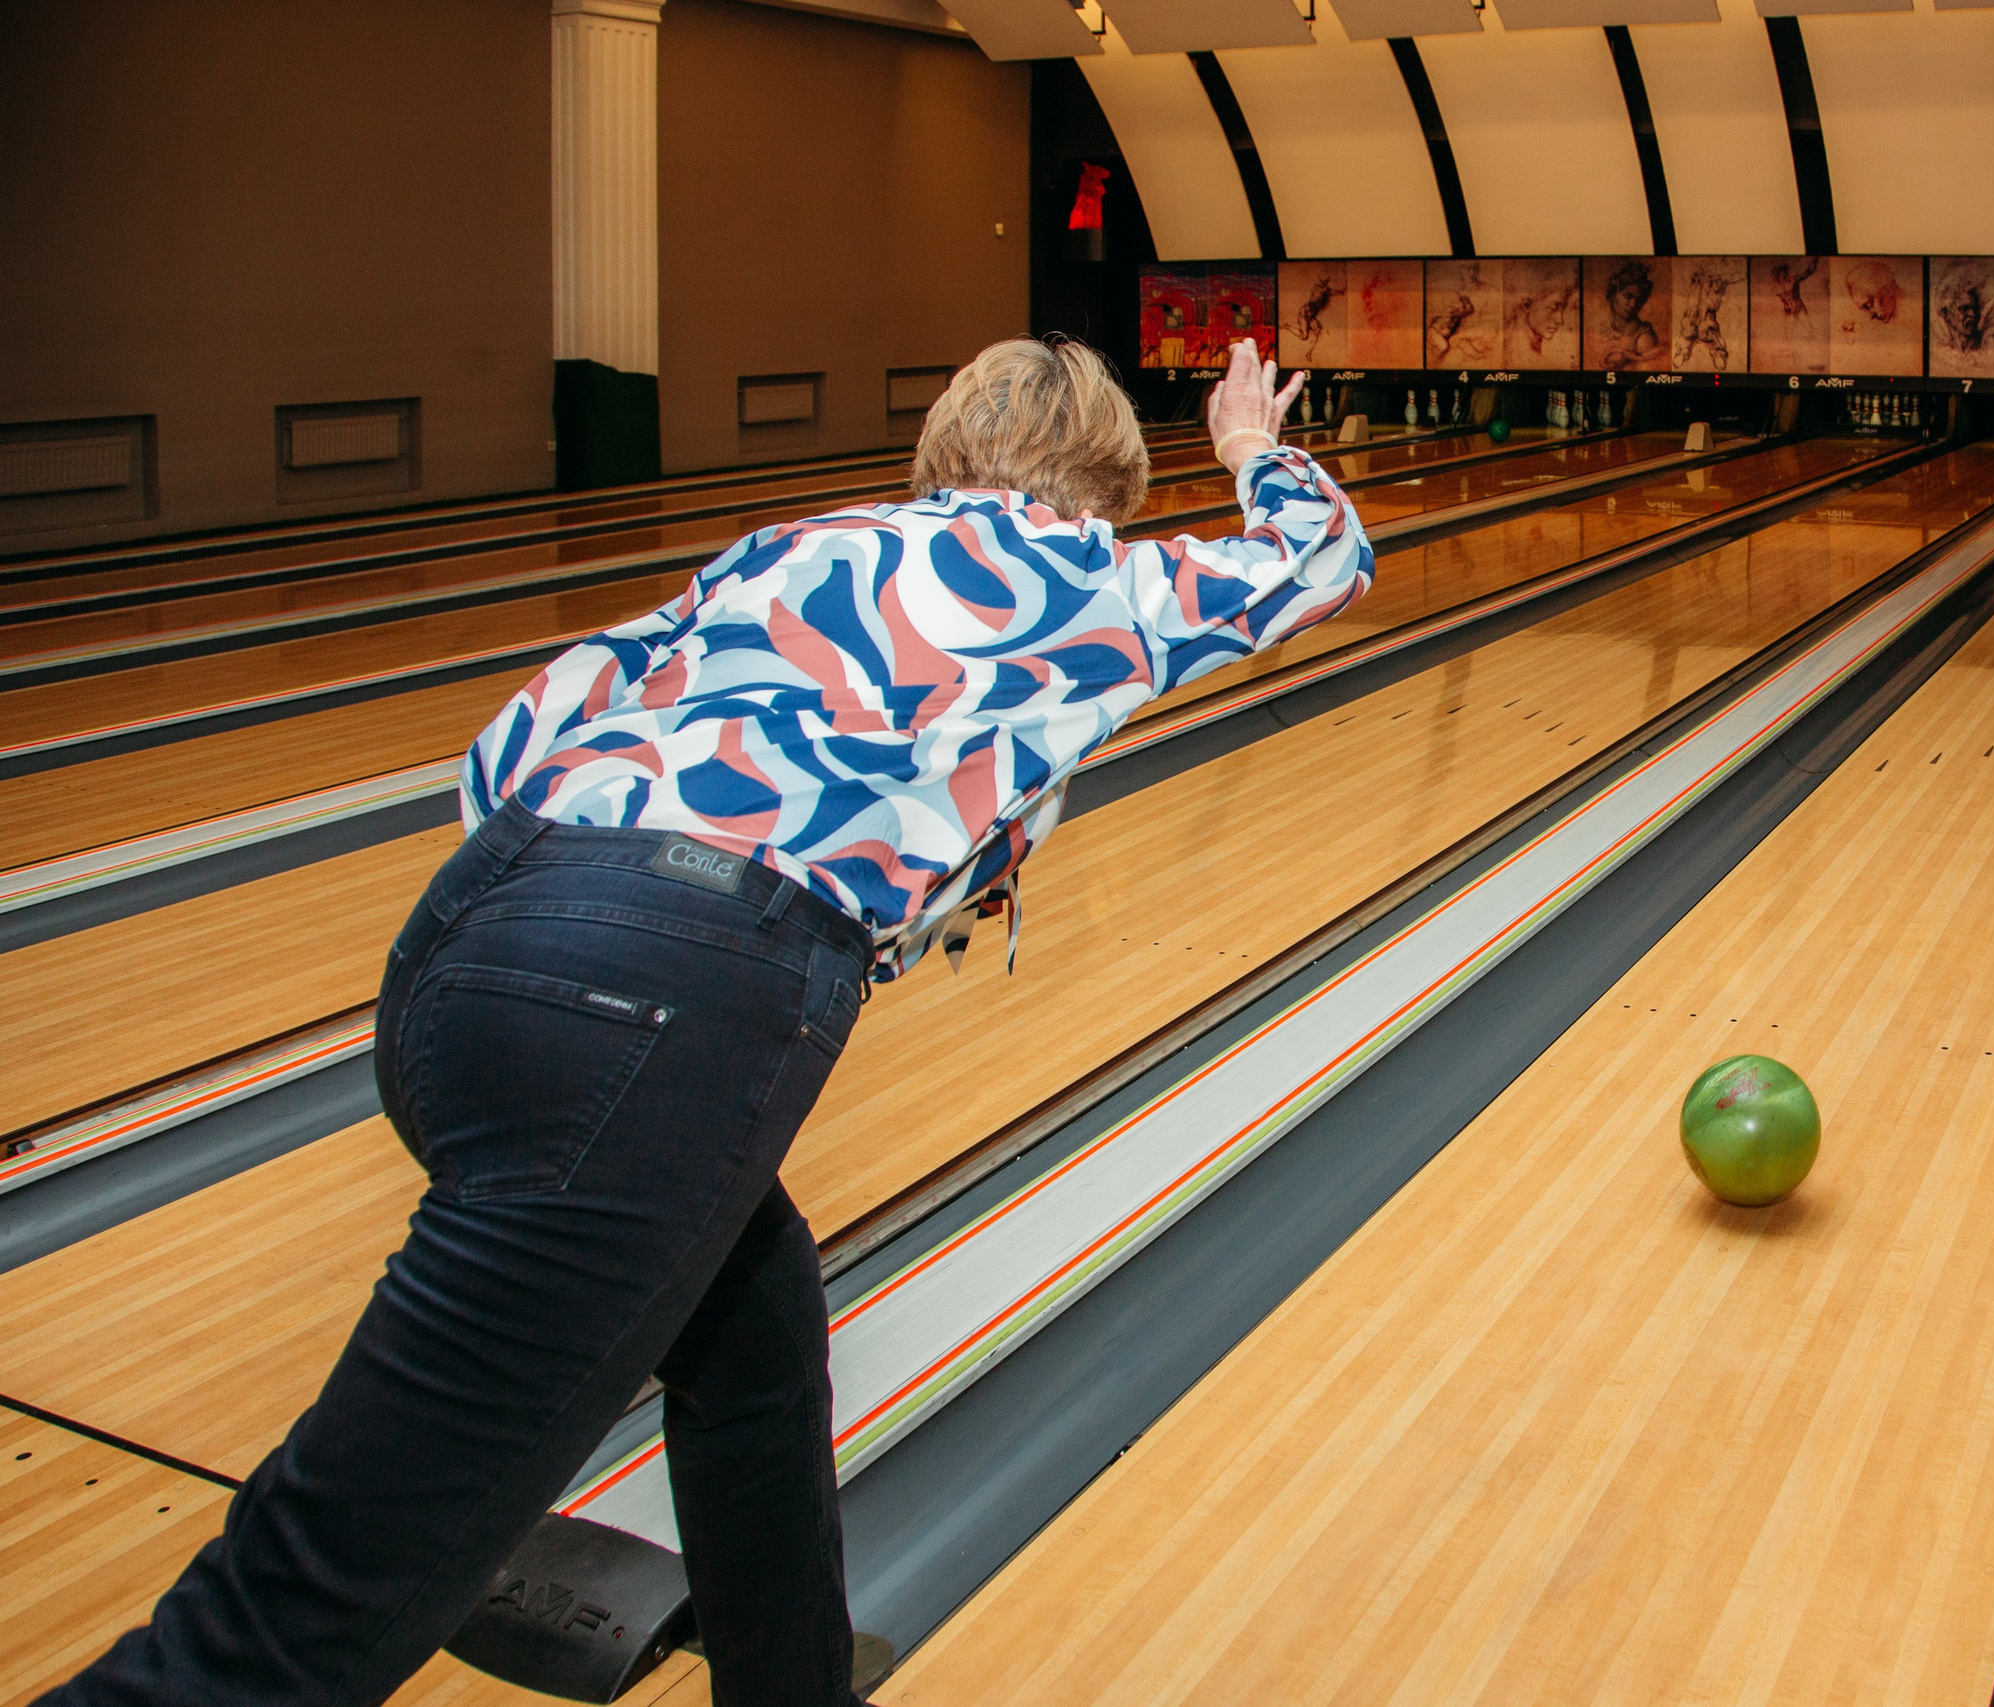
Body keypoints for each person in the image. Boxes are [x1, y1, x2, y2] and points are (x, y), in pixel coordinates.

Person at [47, 337, 1372, 1707]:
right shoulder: (1088, 572)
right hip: (658, 1015)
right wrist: (1246, 445)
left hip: (471, 944)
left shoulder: (785, 546)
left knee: (756, 1337)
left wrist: (575, 929)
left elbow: (529, 727)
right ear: (1108, 478)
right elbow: (1321, 558)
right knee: (288, 1625)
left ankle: (787, 1681)